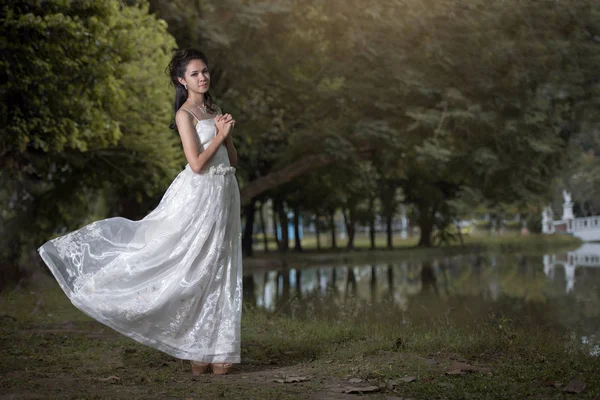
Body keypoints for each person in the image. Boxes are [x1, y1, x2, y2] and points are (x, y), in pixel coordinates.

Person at [37, 49, 242, 376]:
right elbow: (197, 164)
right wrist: (218, 135)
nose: (202, 77)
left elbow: (231, 162)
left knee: (220, 266)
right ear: (181, 80)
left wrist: (226, 136)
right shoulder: (185, 114)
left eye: (205, 71)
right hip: (200, 196)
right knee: (192, 265)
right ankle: (194, 344)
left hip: (225, 194)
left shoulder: (214, 109)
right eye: (194, 74)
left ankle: (218, 347)